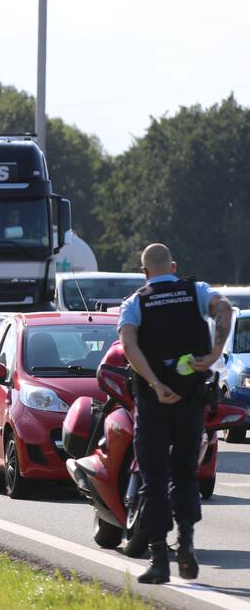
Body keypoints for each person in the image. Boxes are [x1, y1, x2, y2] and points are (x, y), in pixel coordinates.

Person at [117, 243, 232, 584]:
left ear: (145, 272)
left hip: (155, 402)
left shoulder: (136, 301)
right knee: (184, 475)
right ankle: (186, 544)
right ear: (174, 266)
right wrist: (213, 355)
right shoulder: (196, 291)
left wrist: (153, 383)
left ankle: (159, 561)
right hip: (190, 399)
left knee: (153, 480)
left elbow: (128, 343)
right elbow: (224, 309)